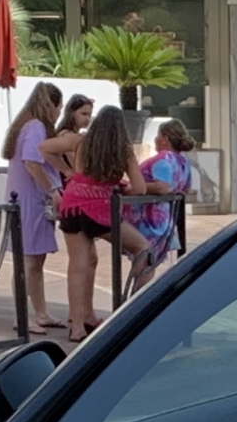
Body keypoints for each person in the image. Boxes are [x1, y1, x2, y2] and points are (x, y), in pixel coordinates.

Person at [53, 103, 171, 342]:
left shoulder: (81, 142)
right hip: (100, 209)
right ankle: (133, 308)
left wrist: (68, 172)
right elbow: (138, 188)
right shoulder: (123, 150)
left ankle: (76, 326)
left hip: (73, 204)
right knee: (143, 249)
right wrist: (120, 188)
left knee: (78, 266)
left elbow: (44, 148)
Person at [0, 81, 66, 329]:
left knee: (34, 262)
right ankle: (23, 316)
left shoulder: (25, 126)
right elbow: (32, 162)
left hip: (25, 200)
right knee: (29, 262)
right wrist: (52, 189)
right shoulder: (37, 128)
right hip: (31, 201)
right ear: (54, 106)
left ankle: (40, 312)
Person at [132, 119, 196, 268]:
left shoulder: (163, 159)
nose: (155, 139)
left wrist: (137, 187)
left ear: (165, 139)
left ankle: (140, 291)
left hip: (148, 219)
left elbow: (162, 186)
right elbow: (186, 188)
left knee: (144, 260)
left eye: (158, 135)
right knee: (149, 261)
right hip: (165, 219)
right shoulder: (183, 162)